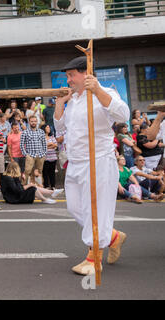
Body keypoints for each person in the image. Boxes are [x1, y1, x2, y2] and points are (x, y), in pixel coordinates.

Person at [54, 55, 131, 276]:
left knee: (95, 210)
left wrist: (97, 90)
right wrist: (60, 104)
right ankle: (113, 237)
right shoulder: (74, 99)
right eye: (67, 76)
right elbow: (60, 128)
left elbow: (123, 115)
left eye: (71, 75)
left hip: (98, 160)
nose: (68, 80)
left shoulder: (105, 93)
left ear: (85, 74)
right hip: (75, 161)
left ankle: (93, 259)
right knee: (75, 208)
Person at [20, 115, 46, 185]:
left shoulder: (41, 132)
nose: (33, 123)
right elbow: (21, 145)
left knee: (39, 172)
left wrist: (44, 153)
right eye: (32, 121)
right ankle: (24, 187)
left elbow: (44, 144)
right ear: (29, 122)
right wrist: (26, 154)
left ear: (37, 122)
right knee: (27, 171)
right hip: (30, 155)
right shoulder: (25, 132)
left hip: (40, 155)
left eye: (35, 121)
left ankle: (39, 188)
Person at [41, 124, 58, 189]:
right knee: (45, 172)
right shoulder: (41, 137)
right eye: (47, 127)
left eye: (49, 127)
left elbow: (55, 145)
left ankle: (53, 186)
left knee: (52, 172)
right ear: (44, 129)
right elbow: (42, 146)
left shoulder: (52, 137)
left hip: (53, 157)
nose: (49, 128)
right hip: (45, 158)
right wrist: (51, 144)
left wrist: (48, 145)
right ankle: (46, 186)